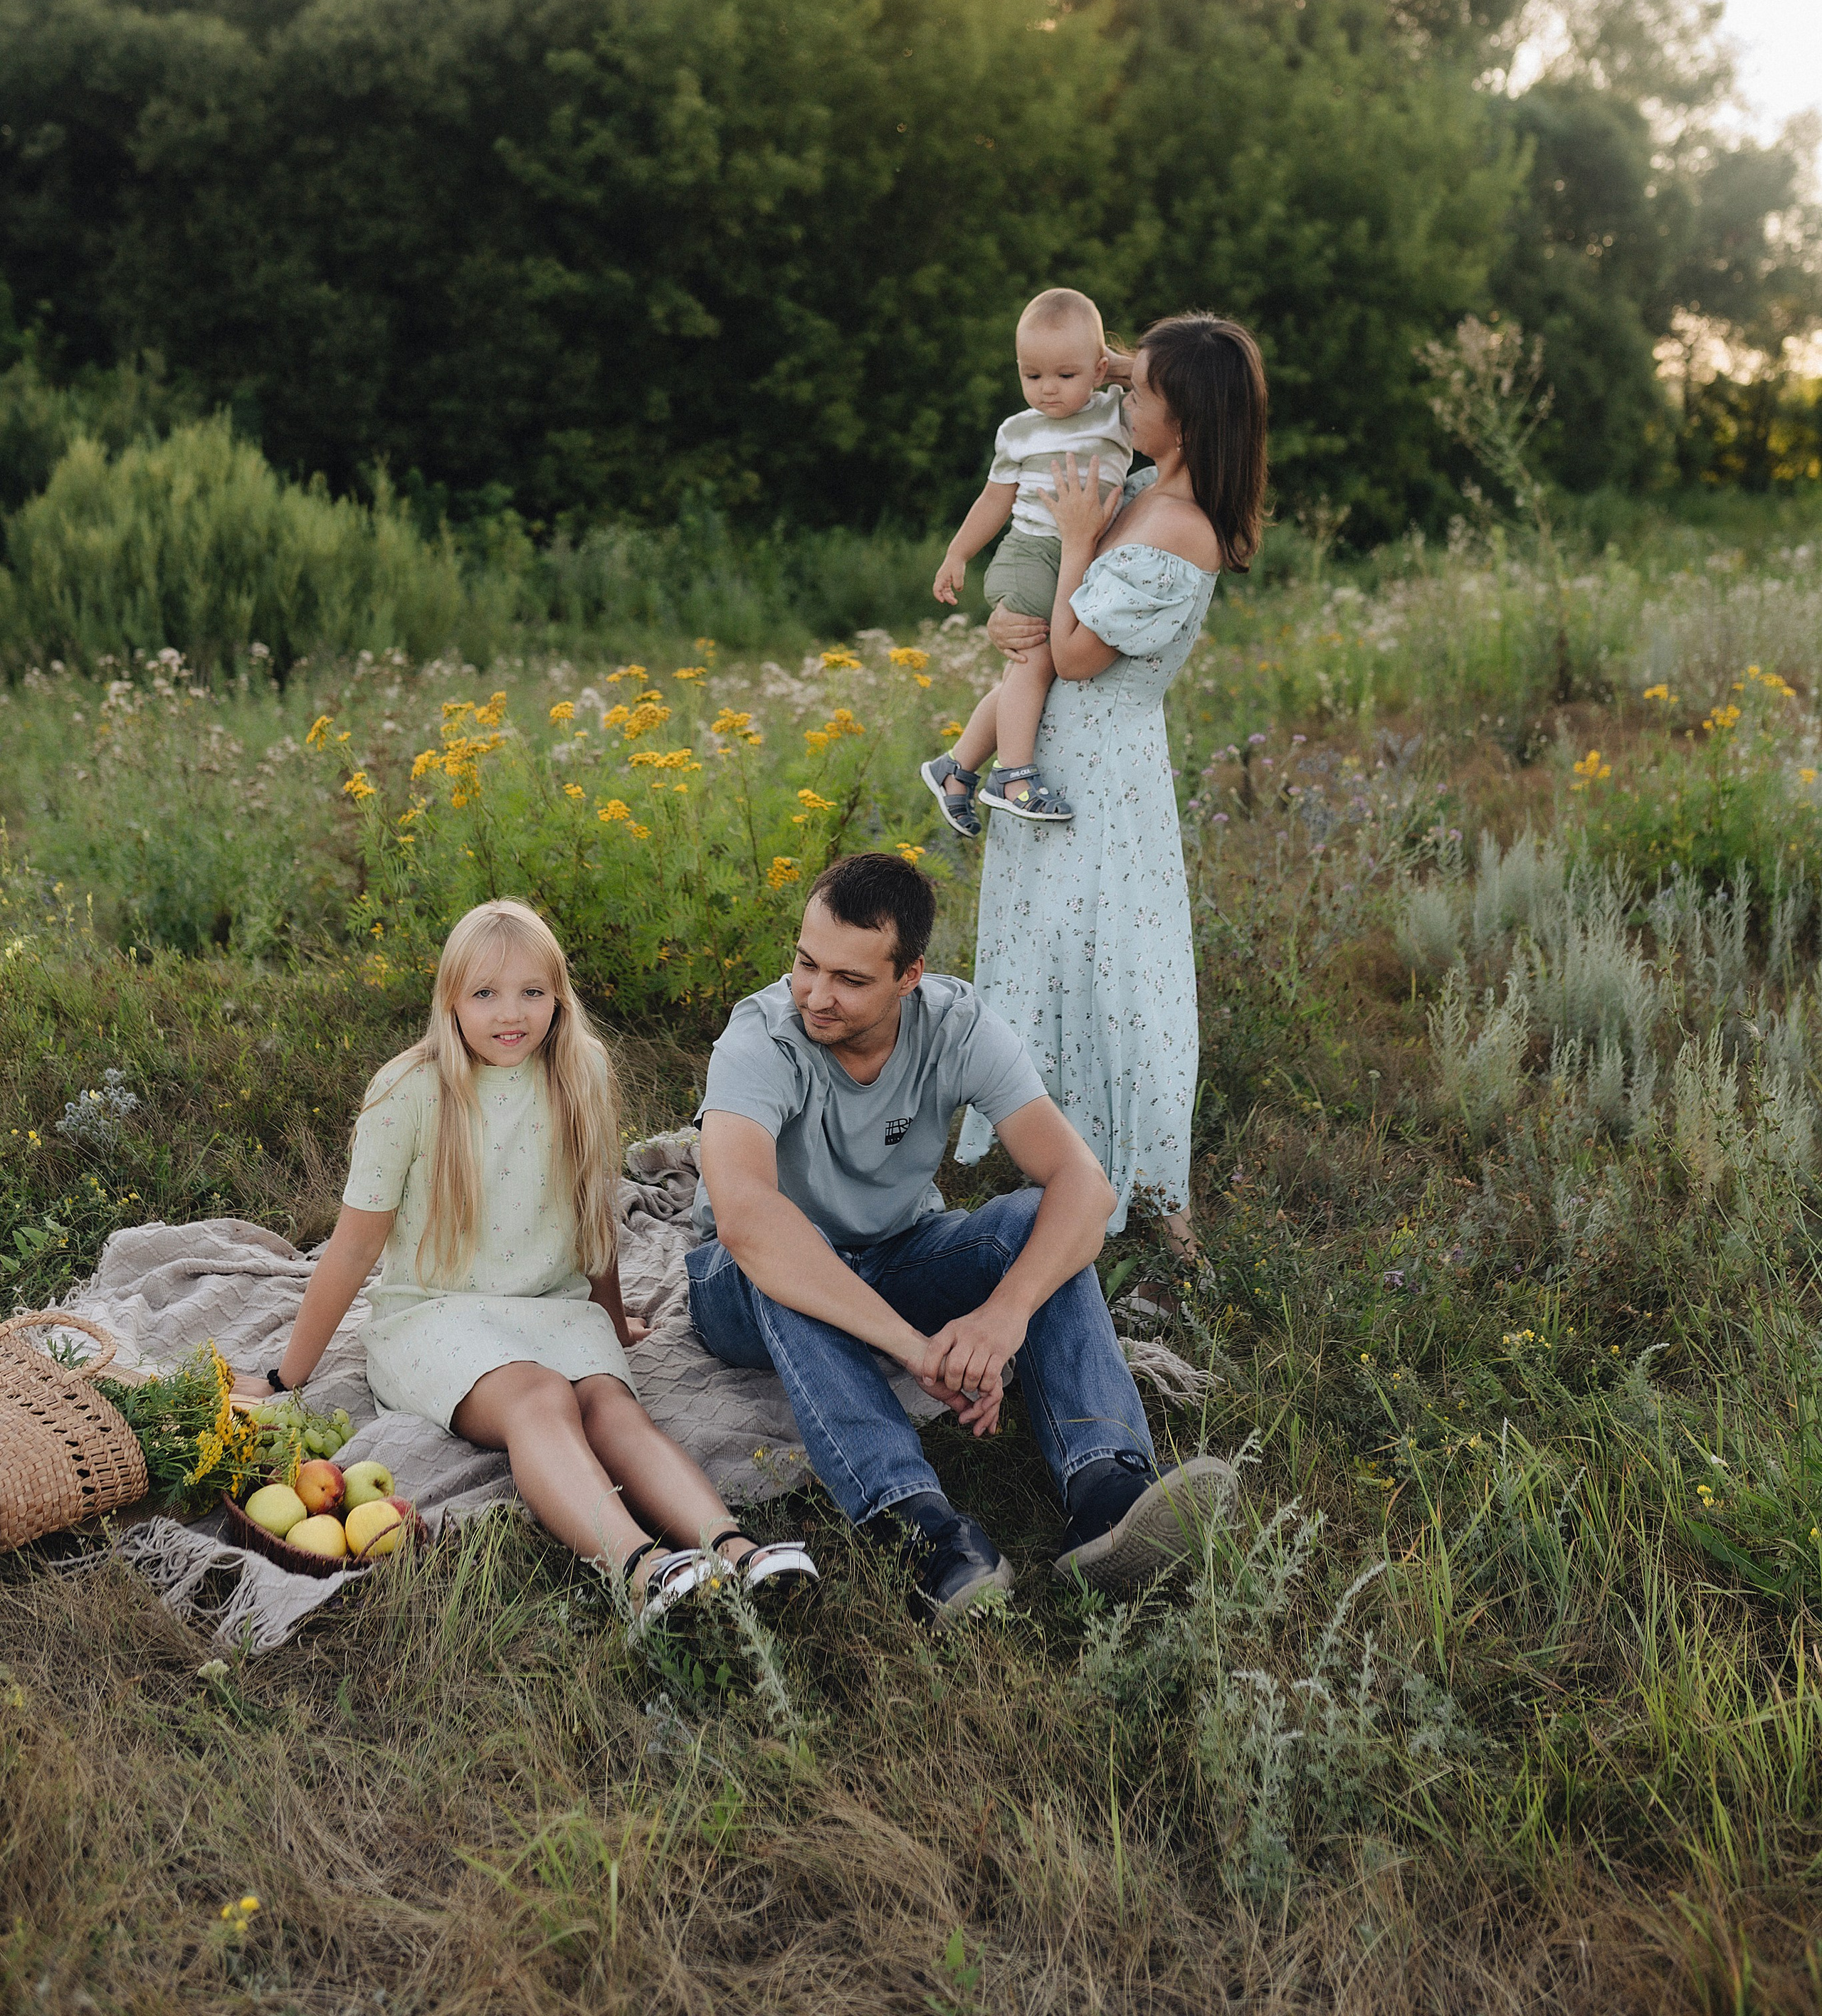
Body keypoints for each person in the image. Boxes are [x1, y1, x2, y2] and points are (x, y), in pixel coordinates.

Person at [685, 850, 1232, 1620]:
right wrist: (916, 1350)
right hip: (738, 1285)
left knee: (1030, 1220)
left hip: (898, 1248)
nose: (816, 994)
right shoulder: (761, 1036)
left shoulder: (957, 1024)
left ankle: (1106, 1485)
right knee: (789, 1256)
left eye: (850, 979)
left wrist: (1002, 1318)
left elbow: (1085, 1188)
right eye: (807, 964)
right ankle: (923, 1528)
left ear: (909, 976)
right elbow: (748, 1218)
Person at [256, 898, 818, 1626]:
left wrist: (612, 1320)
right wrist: (284, 1376)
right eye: (484, 993)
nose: (510, 1013)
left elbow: (593, 1214)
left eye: (532, 991)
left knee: (614, 1412)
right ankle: (644, 1571)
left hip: (554, 1306)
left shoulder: (580, 1069)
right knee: (542, 1398)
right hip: (434, 1316)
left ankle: (736, 1550)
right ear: (450, 1000)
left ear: (559, 995)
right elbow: (356, 1245)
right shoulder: (407, 1090)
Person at [951, 312, 1269, 1245]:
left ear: (1190, 421)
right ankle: (1057, 1149)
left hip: (1105, 779)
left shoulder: (1179, 525)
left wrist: (1080, 546)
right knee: (1051, 953)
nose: (1118, 398)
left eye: (1138, 392)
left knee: (1120, 969)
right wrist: (1012, 626)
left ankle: (1157, 1192)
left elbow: (1081, 654)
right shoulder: (1141, 479)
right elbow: (1048, 628)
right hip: (1053, 761)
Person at [922, 287, 1134, 833]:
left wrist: (1118, 371)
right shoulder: (1018, 431)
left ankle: (956, 769)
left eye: (1066, 375)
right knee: (1036, 663)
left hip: (1081, 555)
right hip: (1031, 552)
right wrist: (958, 552)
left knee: (1032, 671)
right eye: (1031, 374)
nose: (1047, 389)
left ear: (1099, 368)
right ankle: (1013, 777)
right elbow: (994, 500)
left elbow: (1171, 384)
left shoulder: (1117, 413)